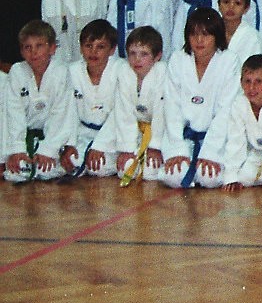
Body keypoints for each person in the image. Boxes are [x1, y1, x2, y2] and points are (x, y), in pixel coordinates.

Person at [153, 7, 240, 189]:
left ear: (217, 36)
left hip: (217, 139)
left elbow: (226, 110)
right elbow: (172, 106)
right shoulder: (178, 59)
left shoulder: (229, 60)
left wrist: (210, 152)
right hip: (183, 137)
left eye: (206, 35)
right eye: (194, 34)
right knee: (174, 176)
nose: (199, 40)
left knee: (209, 179)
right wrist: (178, 150)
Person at [59, 19, 132, 178]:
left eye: (100, 47)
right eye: (88, 46)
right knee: (70, 161)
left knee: (99, 167)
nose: (93, 52)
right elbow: (69, 112)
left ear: (112, 49)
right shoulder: (72, 71)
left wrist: (100, 145)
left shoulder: (122, 69)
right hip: (83, 134)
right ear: (81, 48)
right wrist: (69, 144)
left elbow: (120, 112)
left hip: (114, 135)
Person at [2, 20, 71, 182]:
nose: (33, 52)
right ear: (21, 51)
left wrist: (48, 150)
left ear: (52, 48)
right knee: (17, 173)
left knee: (48, 171)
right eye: (27, 47)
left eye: (39, 45)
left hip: (51, 138)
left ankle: (49, 155)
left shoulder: (61, 72)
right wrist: (17, 149)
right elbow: (13, 112)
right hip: (24, 137)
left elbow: (61, 113)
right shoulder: (17, 71)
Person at [204, 54, 262, 190]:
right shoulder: (239, 104)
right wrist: (231, 177)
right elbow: (236, 141)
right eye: (247, 81)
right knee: (243, 178)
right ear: (241, 83)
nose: (252, 87)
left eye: (258, 82)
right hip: (258, 153)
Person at [109, 26, 166, 184]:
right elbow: (124, 113)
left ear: (157, 56)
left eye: (144, 54)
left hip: (161, 134)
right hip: (138, 132)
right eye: (132, 53)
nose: (137, 59)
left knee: (151, 171)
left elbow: (162, 115)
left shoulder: (163, 73)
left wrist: (155, 147)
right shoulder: (125, 73)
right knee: (125, 169)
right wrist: (127, 149)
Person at [217, 0, 261, 69]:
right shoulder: (211, 31)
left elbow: (255, 69)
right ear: (219, 5)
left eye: (237, 3)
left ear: (246, 8)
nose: (231, 6)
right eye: (226, 2)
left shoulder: (252, 36)